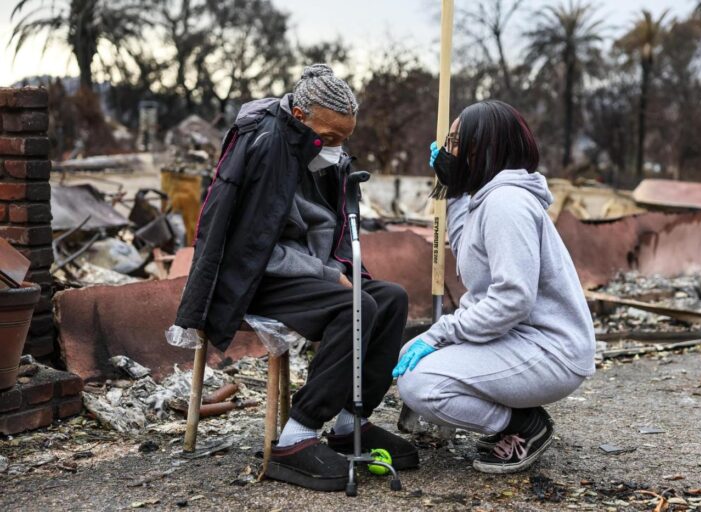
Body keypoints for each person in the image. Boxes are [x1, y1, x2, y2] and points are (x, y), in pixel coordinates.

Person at [175, 64, 418, 492]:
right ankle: (297, 437)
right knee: (356, 306)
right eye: (333, 137)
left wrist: (336, 270)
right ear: (301, 117)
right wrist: (328, 274)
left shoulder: (309, 148)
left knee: (392, 297)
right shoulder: (269, 147)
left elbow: (323, 229)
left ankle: (350, 424)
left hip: (304, 270)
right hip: (257, 277)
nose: (339, 149)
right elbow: (256, 246)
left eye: (346, 138)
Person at [393, 100, 596, 474]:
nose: (446, 149)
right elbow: (468, 252)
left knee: (421, 383)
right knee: (413, 357)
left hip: (550, 348)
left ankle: (522, 426)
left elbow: (512, 299)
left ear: (478, 148)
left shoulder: (506, 204)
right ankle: (514, 412)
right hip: (520, 338)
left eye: (454, 141)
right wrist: (451, 190)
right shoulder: (484, 200)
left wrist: (442, 332)